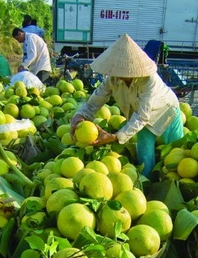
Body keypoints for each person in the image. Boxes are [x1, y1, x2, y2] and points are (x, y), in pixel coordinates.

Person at [70, 34, 183, 177]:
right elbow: (94, 101)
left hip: (167, 109)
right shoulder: (112, 80)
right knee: (145, 157)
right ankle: (146, 185)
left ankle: (177, 183)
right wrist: (79, 116)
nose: (120, 75)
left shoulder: (149, 80)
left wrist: (115, 137)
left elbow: (142, 116)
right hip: (141, 117)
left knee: (178, 152)